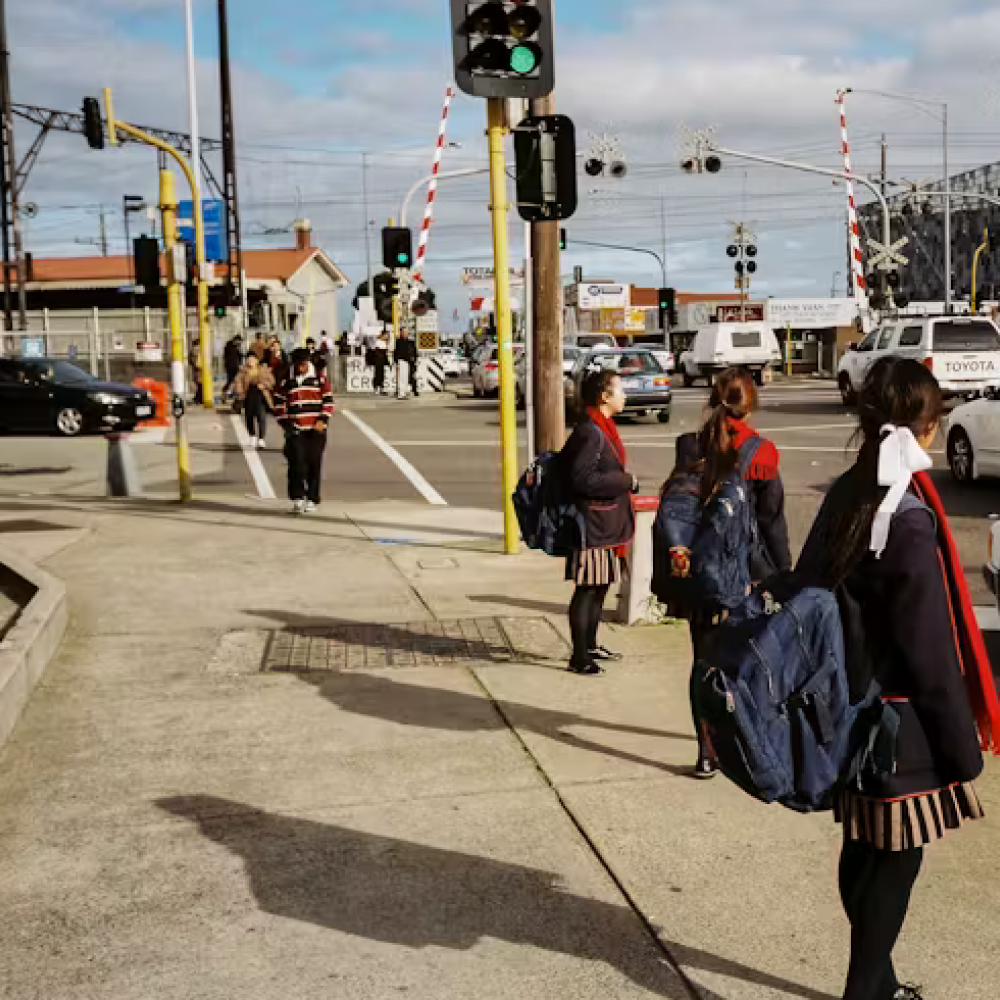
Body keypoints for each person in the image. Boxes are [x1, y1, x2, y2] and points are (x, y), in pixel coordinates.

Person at [797, 357, 997, 1000]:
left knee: (864, 852)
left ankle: (877, 982)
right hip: (898, 727)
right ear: (928, 426)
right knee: (895, 861)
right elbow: (929, 653)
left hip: (848, 710)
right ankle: (867, 990)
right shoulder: (906, 517)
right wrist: (961, 749)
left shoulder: (850, 494)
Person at [673, 366, 791, 777]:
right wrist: (783, 573)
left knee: (703, 661)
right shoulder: (761, 453)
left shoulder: (689, 446)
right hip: (745, 578)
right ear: (750, 405)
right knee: (747, 662)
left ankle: (705, 750)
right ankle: (741, 741)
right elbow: (772, 521)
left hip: (701, 576)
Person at [561, 367, 637, 676]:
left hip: (606, 522)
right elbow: (582, 479)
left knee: (601, 584)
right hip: (592, 524)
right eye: (620, 390)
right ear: (604, 396)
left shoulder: (602, 427)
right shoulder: (591, 431)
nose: (625, 395)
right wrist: (625, 481)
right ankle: (579, 656)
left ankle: (590, 645)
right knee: (588, 588)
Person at [273, 348, 334, 515]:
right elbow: (278, 403)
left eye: (304, 364)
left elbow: (328, 401)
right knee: (297, 464)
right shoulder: (286, 379)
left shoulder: (320, 378)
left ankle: (313, 499)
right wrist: (285, 423)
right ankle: (297, 497)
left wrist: (323, 419)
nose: (302, 367)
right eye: (299, 364)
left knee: (314, 464)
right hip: (295, 429)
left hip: (315, 430)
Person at [234, 354, 275, 449]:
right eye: (249, 359)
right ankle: (252, 436)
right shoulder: (243, 370)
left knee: (261, 416)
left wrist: (264, 385)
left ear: (257, 360)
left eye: (252, 359)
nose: (250, 361)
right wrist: (239, 391)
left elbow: (272, 381)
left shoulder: (263, 369)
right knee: (249, 416)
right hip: (248, 394)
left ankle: (261, 438)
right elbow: (237, 381)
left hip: (261, 395)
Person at [393, 329, 419, 398]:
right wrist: (396, 362)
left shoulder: (411, 342)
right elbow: (396, 352)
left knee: (407, 378)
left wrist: (415, 359)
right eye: (404, 332)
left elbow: (415, 352)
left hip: (409, 362)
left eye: (406, 332)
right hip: (401, 361)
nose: (405, 333)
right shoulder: (398, 341)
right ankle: (401, 394)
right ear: (401, 333)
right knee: (401, 378)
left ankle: (405, 393)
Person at [223, 334, 243, 399]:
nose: (240, 343)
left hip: (235, 366)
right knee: (231, 380)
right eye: (239, 341)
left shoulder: (236, 346)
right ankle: (225, 392)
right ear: (236, 340)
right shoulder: (229, 345)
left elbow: (240, 356)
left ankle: (231, 393)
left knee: (235, 380)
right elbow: (228, 356)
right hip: (230, 366)